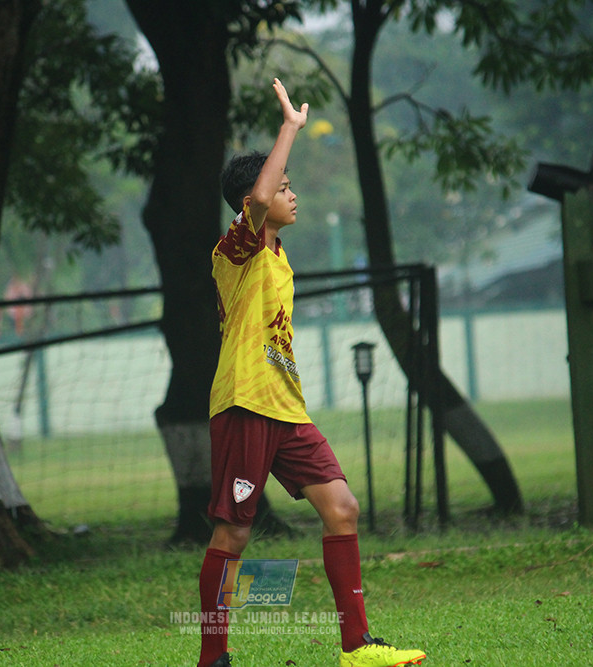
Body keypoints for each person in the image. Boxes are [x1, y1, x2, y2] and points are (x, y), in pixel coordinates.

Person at [197, 78, 426, 667]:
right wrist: (290, 129)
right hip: (245, 404)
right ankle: (212, 658)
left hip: (286, 409)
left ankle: (358, 647)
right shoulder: (235, 250)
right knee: (234, 537)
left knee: (342, 507)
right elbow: (258, 197)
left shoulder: (279, 255)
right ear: (256, 198)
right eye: (285, 187)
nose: (292, 196)